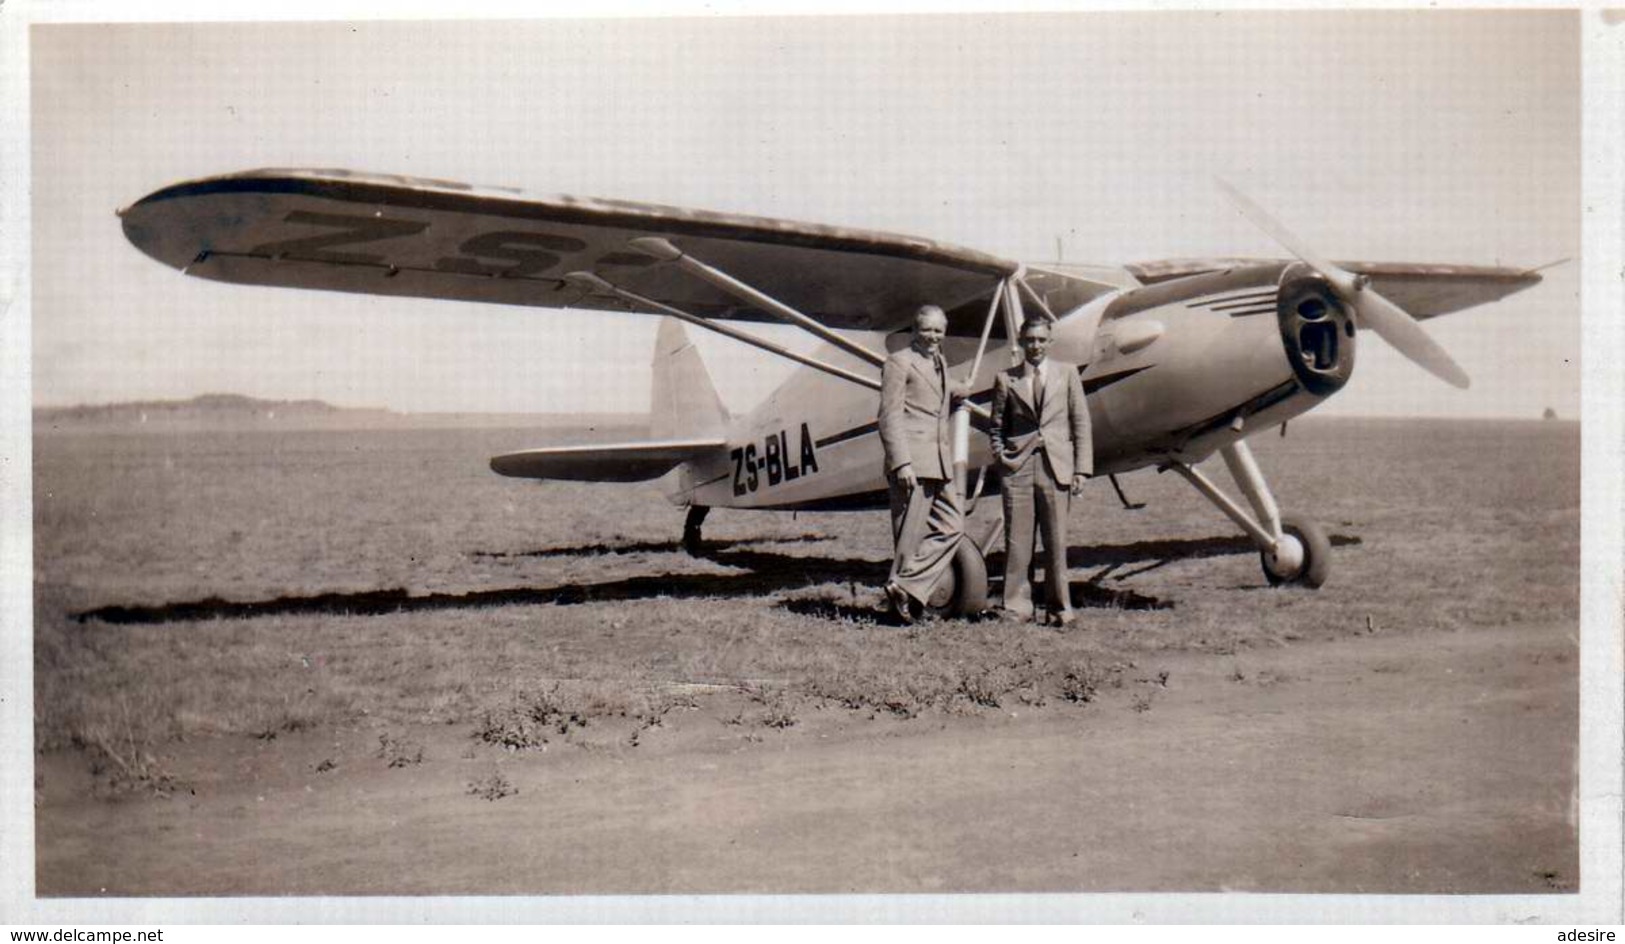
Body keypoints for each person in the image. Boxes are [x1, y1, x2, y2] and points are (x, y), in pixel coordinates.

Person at [989, 316, 1091, 626]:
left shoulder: (1068, 373)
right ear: (1021, 342)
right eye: (1029, 340)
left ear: (1050, 342)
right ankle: (1017, 607)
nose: (1035, 345)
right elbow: (996, 427)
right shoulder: (1006, 379)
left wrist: (1081, 469)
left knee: (1056, 540)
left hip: (1056, 467)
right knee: (1018, 541)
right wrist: (1003, 459)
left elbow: (1081, 422)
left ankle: (1059, 609)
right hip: (1018, 469)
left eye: (1041, 340)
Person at [878, 304, 965, 623]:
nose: (932, 336)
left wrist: (961, 389)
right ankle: (899, 608)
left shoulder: (940, 362)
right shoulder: (899, 362)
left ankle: (903, 586)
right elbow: (889, 416)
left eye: (938, 331)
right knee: (908, 539)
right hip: (913, 462)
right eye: (926, 330)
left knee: (953, 526)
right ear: (914, 331)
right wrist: (901, 463)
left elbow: (938, 392)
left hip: (939, 461)